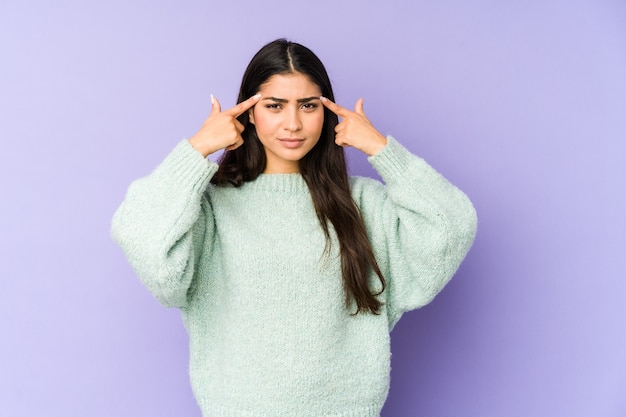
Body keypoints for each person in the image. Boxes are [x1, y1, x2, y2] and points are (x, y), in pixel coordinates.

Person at [111, 38, 477, 417]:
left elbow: (451, 226)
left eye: (308, 106)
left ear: (327, 111)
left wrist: (382, 150)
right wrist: (197, 148)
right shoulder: (209, 208)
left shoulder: (364, 204)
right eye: (274, 106)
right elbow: (142, 238)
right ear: (250, 113)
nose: (293, 123)